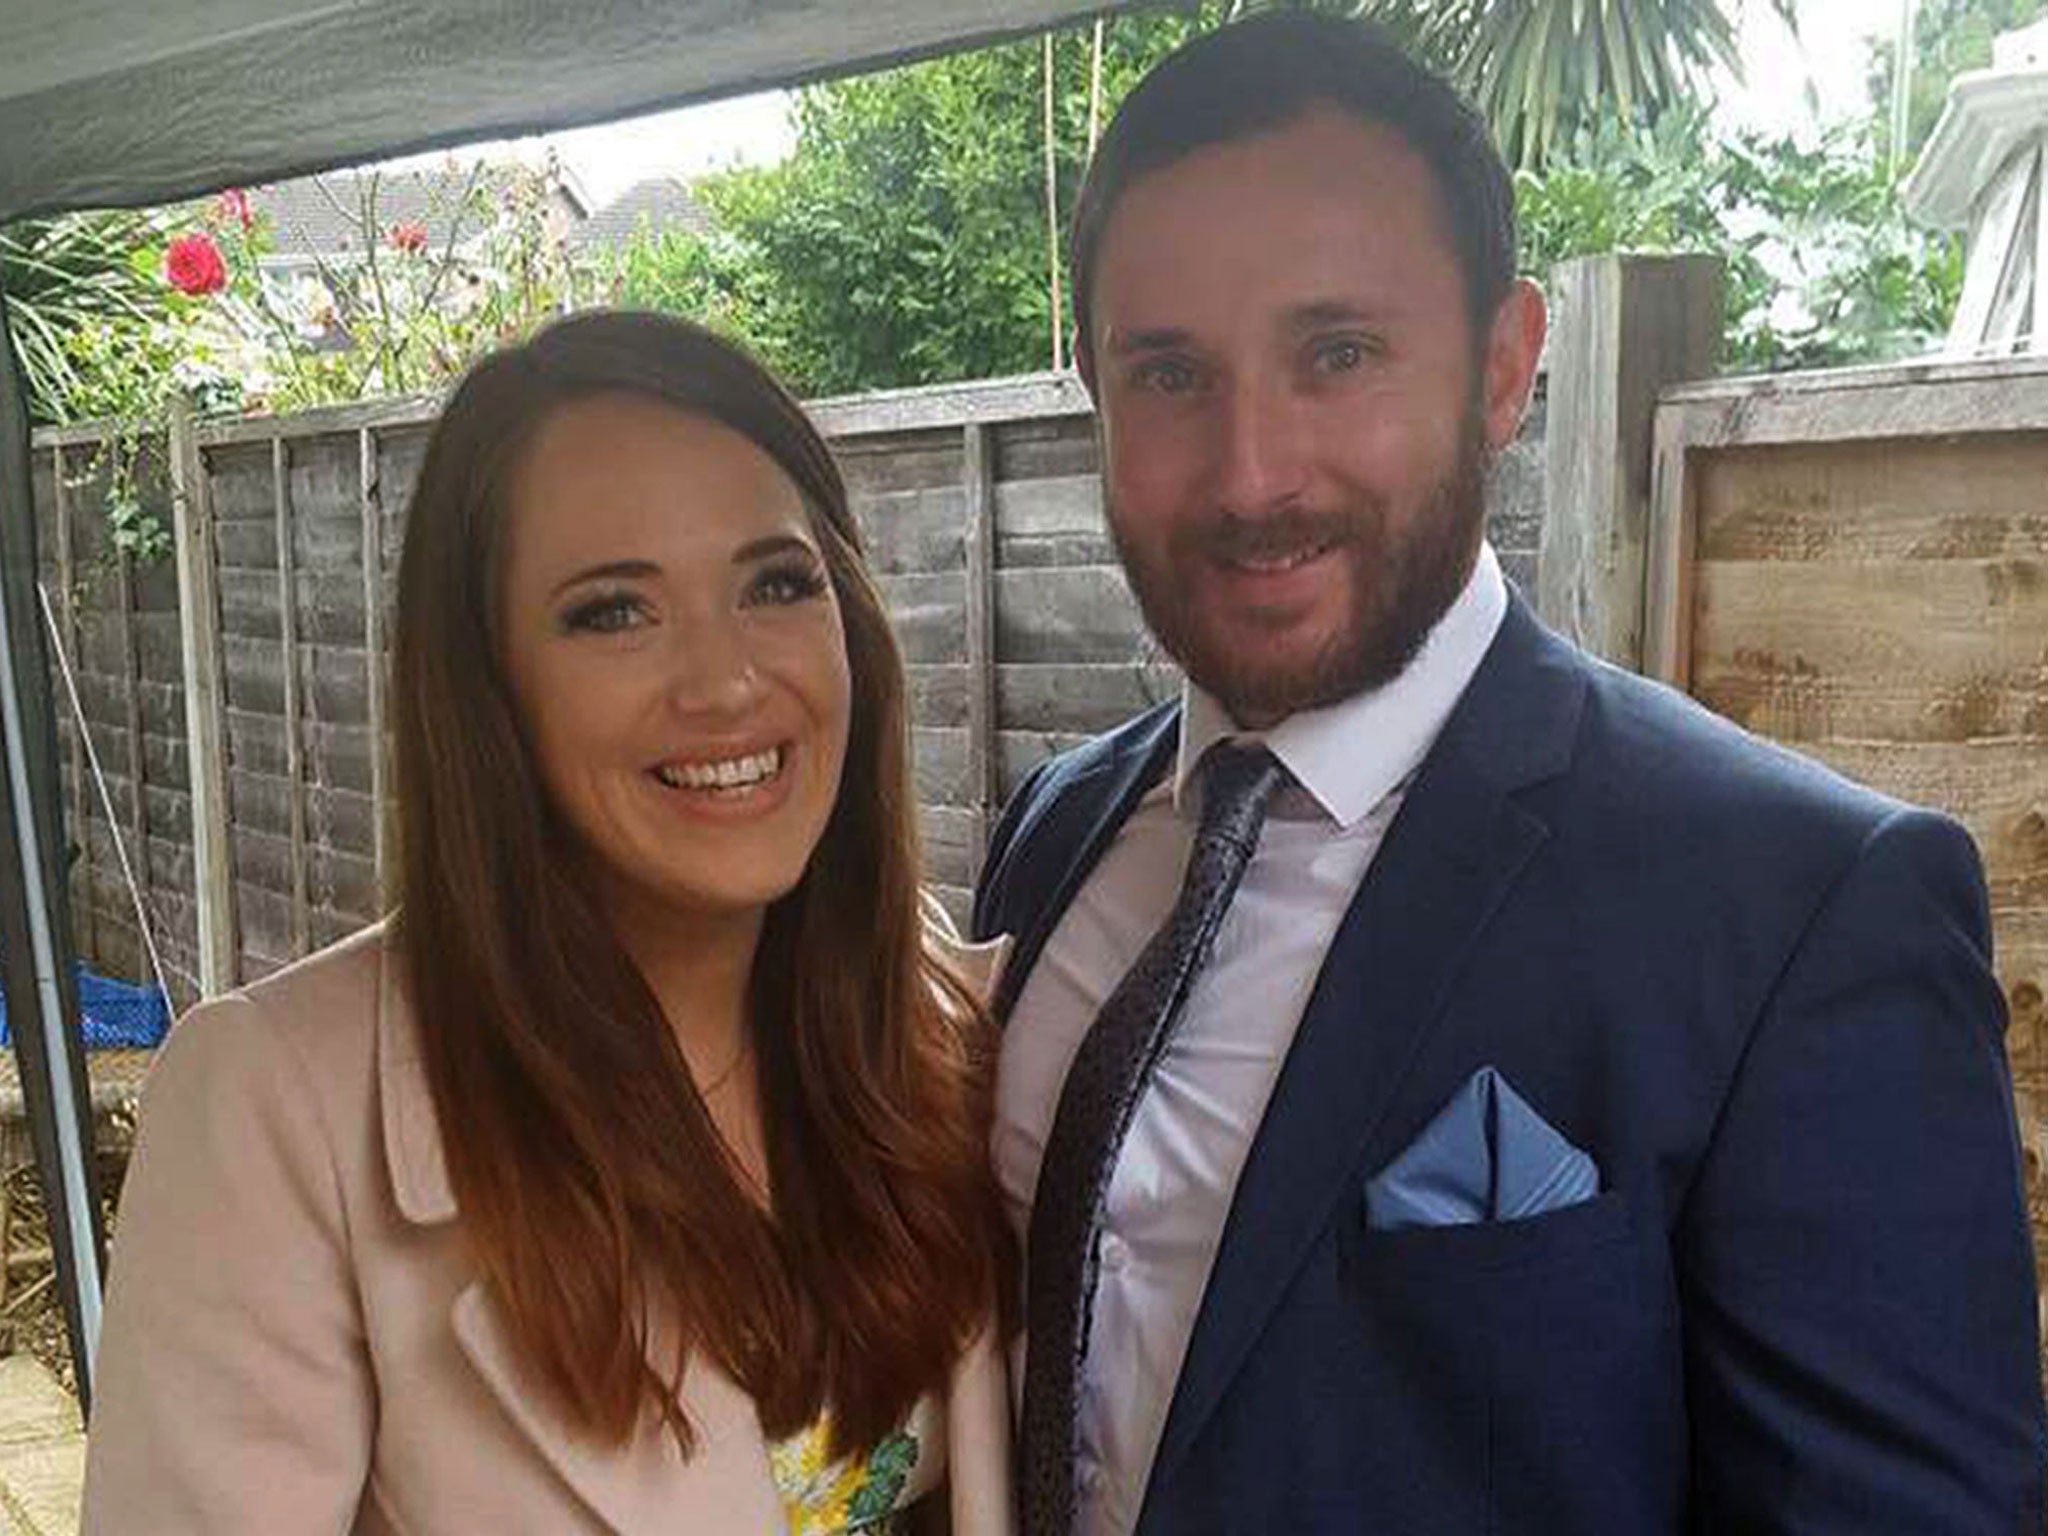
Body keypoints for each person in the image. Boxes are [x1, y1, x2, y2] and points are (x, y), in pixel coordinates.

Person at [974, 14, 2046, 1536]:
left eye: (1337, 353)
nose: (1252, 472)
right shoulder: (1059, 835)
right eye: (1167, 374)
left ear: (1503, 368)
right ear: (1091, 386)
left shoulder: (1794, 914)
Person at [84, 311, 1015, 1535]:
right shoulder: (275, 1108)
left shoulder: (935, 1014)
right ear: (488, 690)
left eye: (776, 583)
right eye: (613, 613)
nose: (728, 682)